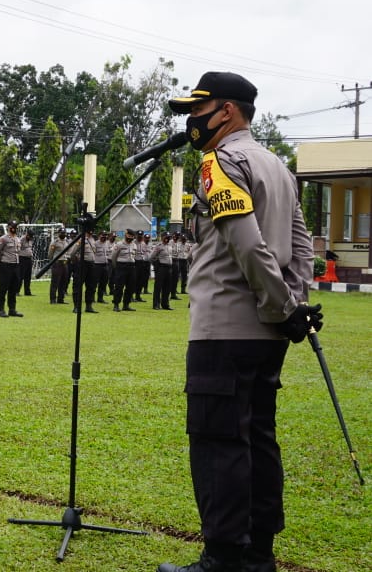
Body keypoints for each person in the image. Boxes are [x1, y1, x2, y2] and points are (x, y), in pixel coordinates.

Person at [156, 72, 321, 572]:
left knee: (218, 442)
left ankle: (223, 558)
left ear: (226, 111)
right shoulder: (276, 165)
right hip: (268, 334)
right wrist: (292, 305)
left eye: (198, 111)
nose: (191, 122)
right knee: (258, 440)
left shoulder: (220, 161)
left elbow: (246, 244)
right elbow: (301, 246)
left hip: (224, 329)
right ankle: (258, 555)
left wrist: (283, 306)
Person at [0, 221, 23, 318]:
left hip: (15, 265)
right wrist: (0, 264)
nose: (14, 228)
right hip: (6, 265)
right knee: (3, 288)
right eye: (13, 226)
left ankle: (12, 309)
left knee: (13, 288)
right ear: (9, 227)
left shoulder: (18, 239)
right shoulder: (3, 239)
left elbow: (17, 252)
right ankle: (1, 309)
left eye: (15, 226)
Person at [110, 229, 138, 312]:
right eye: (129, 236)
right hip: (121, 266)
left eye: (132, 236)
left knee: (130, 287)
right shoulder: (119, 244)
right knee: (119, 286)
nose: (130, 238)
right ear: (126, 235)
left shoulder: (134, 245)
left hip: (131, 267)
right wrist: (116, 267)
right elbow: (113, 257)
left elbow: (134, 256)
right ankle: (116, 304)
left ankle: (126, 304)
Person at [150, 233, 174, 311]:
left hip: (169, 268)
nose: (167, 239)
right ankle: (156, 304)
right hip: (161, 268)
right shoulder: (159, 246)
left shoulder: (170, 246)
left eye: (168, 237)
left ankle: (165, 304)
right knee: (158, 287)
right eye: (166, 237)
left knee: (167, 287)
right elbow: (152, 257)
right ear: (162, 237)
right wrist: (157, 265)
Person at [47, 229, 69, 305]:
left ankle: (61, 299)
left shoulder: (67, 242)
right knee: (55, 282)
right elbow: (50, 254)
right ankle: (53, 299)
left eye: (64, 233)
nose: (63, 234)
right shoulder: (55, 242)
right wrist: (53, 262)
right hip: (57, 263)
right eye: (62, 233)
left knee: (63, 281)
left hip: (64, 263)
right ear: (59, 233)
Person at [17, 229, 35, 296]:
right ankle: (17, 291)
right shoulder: (21, 239)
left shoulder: (31, 240)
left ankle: (27, 292)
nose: (31, 238)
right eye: (30, 236)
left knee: (28, 276)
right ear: (27, 235)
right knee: (21, 276)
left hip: (29, 259)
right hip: (22, 259)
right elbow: (17, 249)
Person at [94, 232, 110, 303]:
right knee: (94, 283)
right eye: (103, 236)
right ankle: (91, 297)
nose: (104, 237)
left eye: (106, 236)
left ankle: (100, 298)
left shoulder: (107, 243)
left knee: (103, 283)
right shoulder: (95, 244)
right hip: (97, 265)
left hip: (105, 265)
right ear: (99, 236)